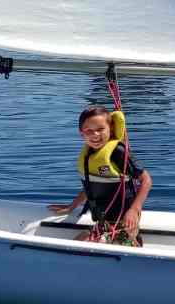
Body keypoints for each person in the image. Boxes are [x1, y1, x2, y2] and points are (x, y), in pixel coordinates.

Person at [48, 105, 151, 246]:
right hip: (103, 223)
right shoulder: (89, 155)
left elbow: (146, 181)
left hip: (124, 223)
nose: (95, 134)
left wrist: (134, 210)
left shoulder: (118, 152)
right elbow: (92, 186)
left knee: (118, 248)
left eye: (100, 129)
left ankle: (134, 244)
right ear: (81, 133)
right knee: (76, 245)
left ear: (110, 129)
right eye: (89, 130)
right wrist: (72, 206)